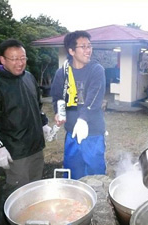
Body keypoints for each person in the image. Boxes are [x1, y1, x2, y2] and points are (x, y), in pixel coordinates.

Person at [0, 39, 51, 224]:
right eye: (14, 58)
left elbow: (37, 106)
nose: (20, 63)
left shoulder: (29, 77)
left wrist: (43, 124)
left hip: (36, 147)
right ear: (3, 60)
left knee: (35, 189)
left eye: (22, 58)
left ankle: (33, 219)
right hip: (15, 153)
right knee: (17, 194)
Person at [50, 31, 106, 179]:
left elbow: (94, 99)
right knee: (72, 172)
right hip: (72, 132)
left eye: (89, 46)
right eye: (83, 46)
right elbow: (57, 97)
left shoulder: (96, 70)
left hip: (93, 132)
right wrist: (58, 111)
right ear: (71, 51)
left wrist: (82, 119)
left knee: (95, 174)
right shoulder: (62, 73)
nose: (88, 50)